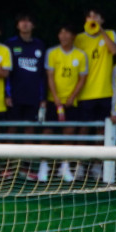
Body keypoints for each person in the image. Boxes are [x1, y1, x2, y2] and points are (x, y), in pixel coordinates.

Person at [74, 9, 116, 180]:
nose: (92, 19)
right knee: (83, 130)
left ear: (102, 19)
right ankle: (80, 165)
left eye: (96, 16)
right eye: (89, 16)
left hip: (104, 91)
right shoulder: (79, 38)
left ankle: (97, 165)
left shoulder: (110, 34)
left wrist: (100, 31)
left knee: (102, 131)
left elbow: (114, 50)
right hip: (84, 93)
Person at [45, 25, 89, 182]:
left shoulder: (81, 55)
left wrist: (72, 97)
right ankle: (44, 165)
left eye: (67, 33)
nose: (63, 36)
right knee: (48, 132)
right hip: (53, 100)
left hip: (71, 102)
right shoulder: (52, 52)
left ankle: (64, 166)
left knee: (69, 132)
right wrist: (55, 97)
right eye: (61, 33)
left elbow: (82, 78)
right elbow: (50, 76)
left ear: (73, 36)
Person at [4, 13, 46, 128]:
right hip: (15, 96)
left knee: (30, 128)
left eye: (28, 21)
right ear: (17, 25)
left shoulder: (40, 45)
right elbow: (7, 73)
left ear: (33, 25)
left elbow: (42, 74)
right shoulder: (10, 44)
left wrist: (42, 98)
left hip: (33, 96)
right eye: (22, 21)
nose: (25, 24)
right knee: (12, 128)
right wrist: (7, 95)